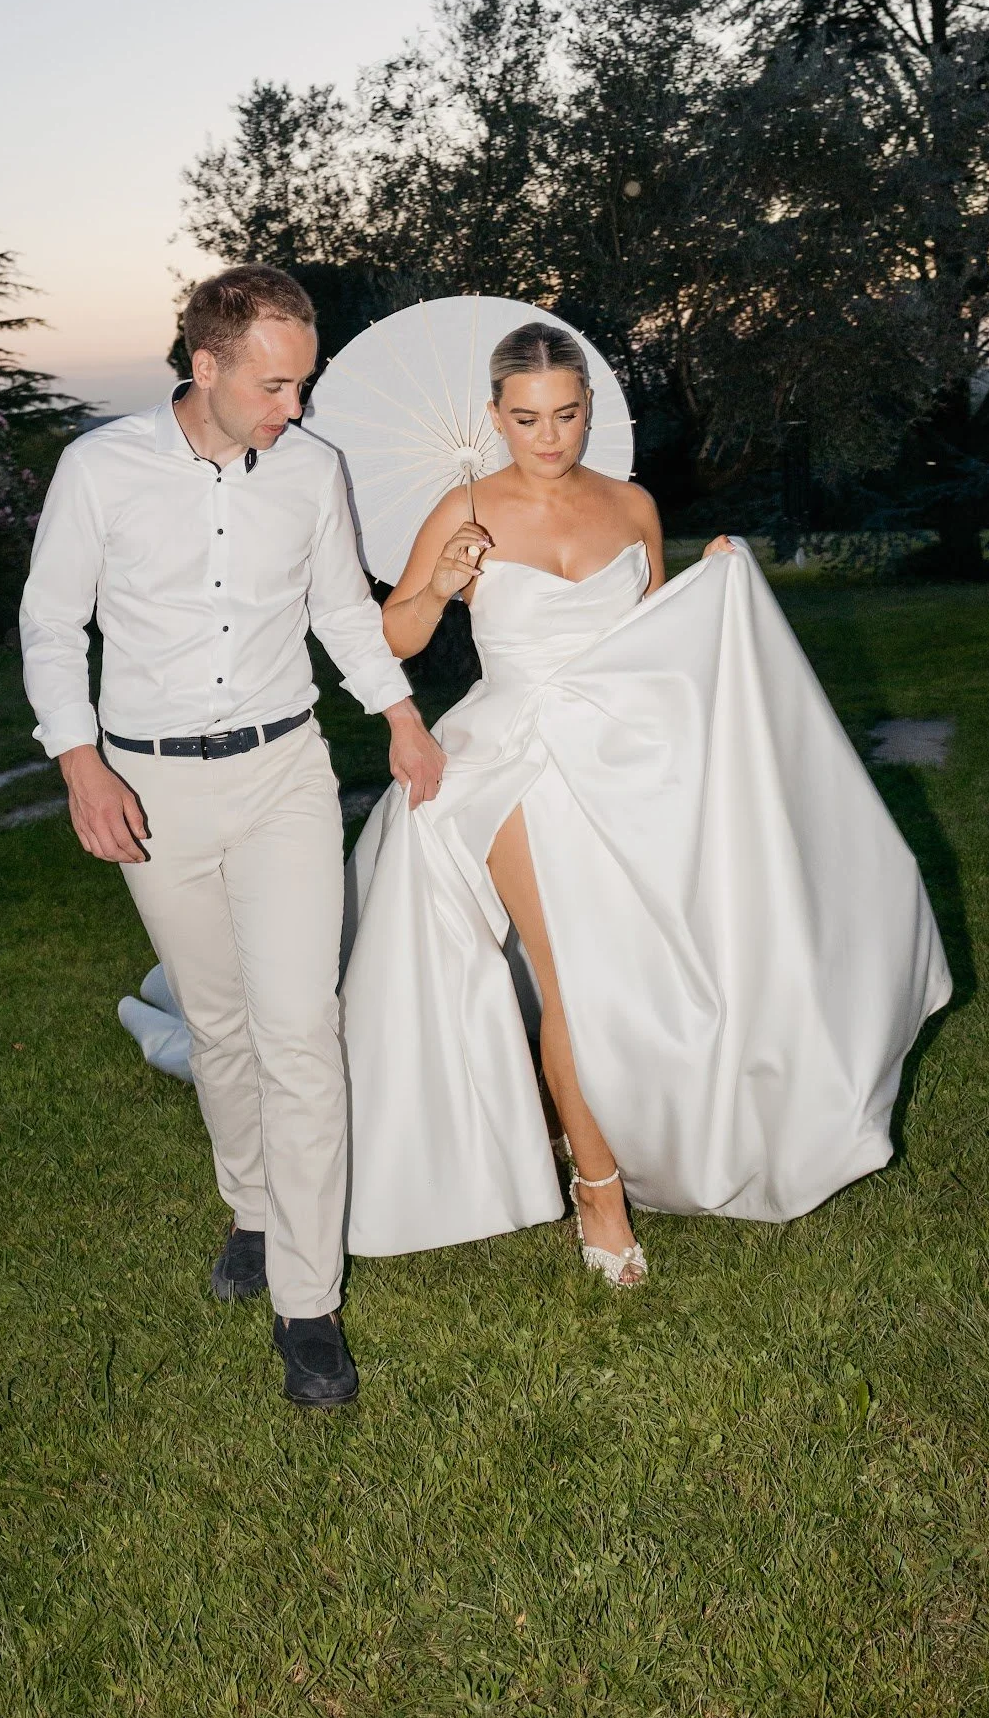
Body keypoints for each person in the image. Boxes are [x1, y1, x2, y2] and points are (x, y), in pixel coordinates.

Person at [340, 320, 951, 1282]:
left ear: (589, 410)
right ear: (494, 415)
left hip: (631, 750)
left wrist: (715, 583)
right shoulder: (459, 509)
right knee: (573, 972)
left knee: (670, 955)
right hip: (515, 757)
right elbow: (394, 639)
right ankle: (597, 1191)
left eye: (568, 414)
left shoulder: (630, 505)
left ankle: (685, 1116)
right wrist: (440, 584)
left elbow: (656, 638)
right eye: (528, 417)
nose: (549, 436)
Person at [19, 264, 443, 1406]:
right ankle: (252, 1208)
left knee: (300, 1027)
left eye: (299, 382)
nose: (292, 406)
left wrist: (399, 715)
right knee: (218, 1025)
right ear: (202, 367)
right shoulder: (97, 470)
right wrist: (79, 763)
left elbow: (340, 612)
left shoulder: (313, 470)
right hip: (151, 789)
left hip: (283, 775)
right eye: (273, 383)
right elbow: (51, 624)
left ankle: (309, 1304)